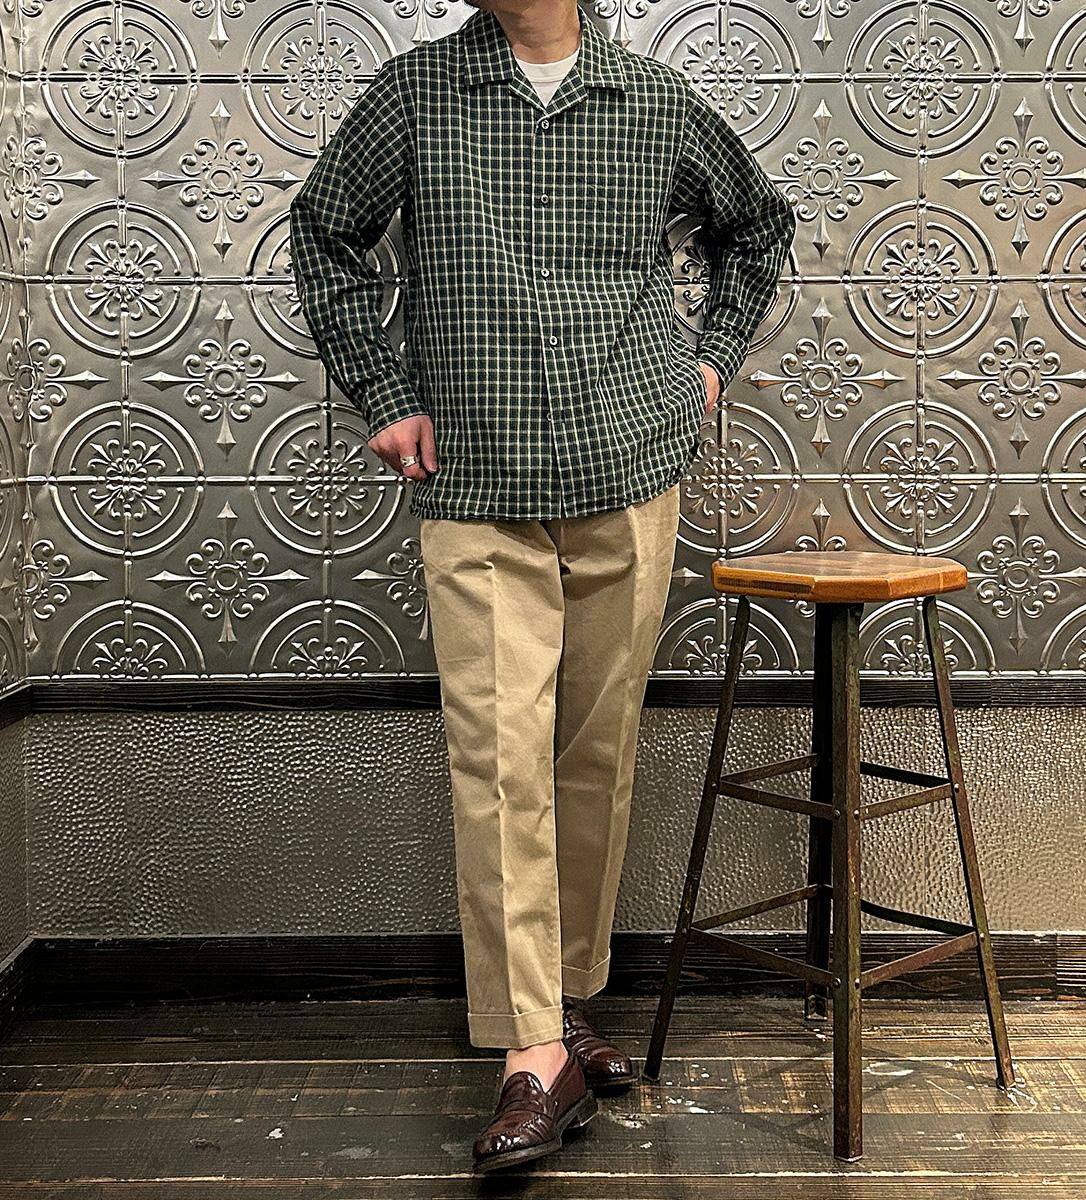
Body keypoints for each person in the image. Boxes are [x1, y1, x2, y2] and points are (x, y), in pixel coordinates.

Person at [289, 0, 794, 1172]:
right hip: (475, 483)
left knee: (594, 755)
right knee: (499, 758)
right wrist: (381, 391)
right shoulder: (416, 94)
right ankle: (530, 1052)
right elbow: (323, 232)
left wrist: (710, 364)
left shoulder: (652, 100)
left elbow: (758, 227)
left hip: (630, 470)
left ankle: (562, 1006)